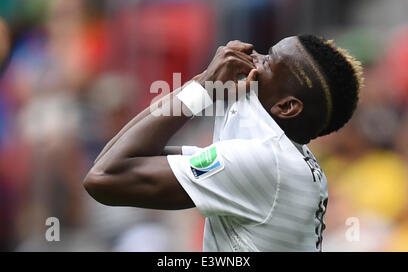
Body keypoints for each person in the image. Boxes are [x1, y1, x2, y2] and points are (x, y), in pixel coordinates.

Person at [84, 35, 363, 251]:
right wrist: (201, 84)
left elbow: (105, 176)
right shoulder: (280, 157)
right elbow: (127, 157)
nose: (253, 59)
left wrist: (206, 86)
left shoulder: (264, 161)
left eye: (267, 61)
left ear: (287, 106)